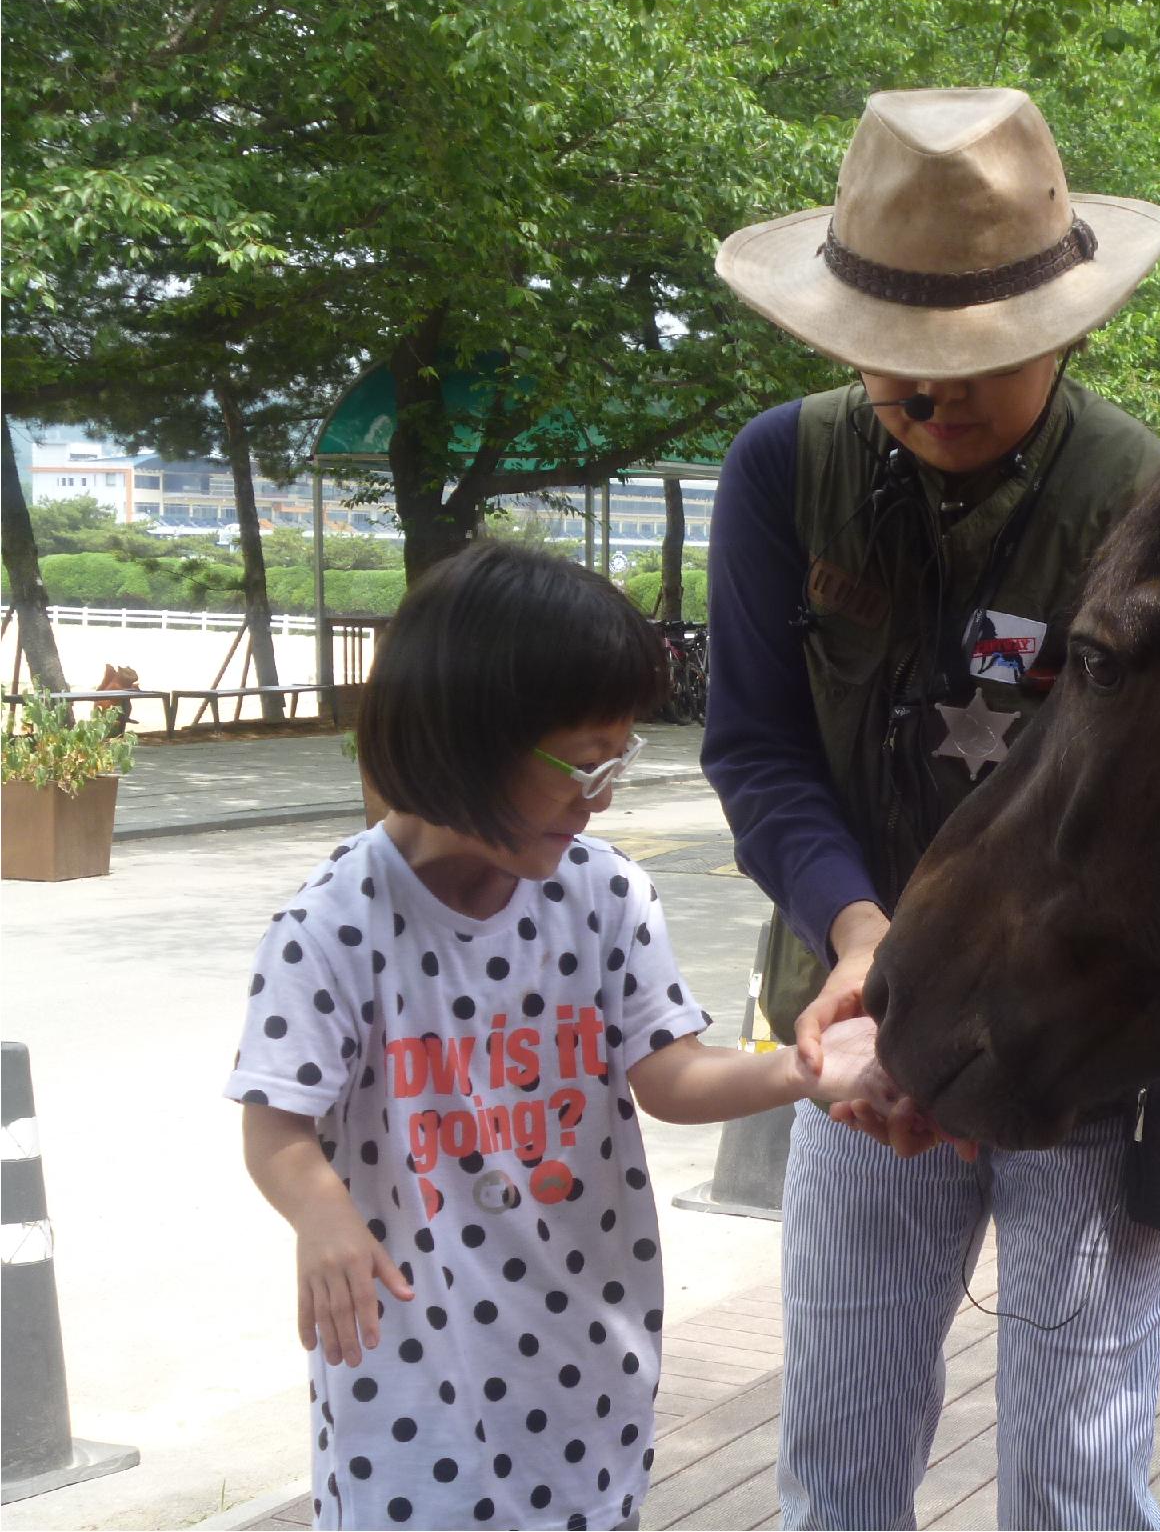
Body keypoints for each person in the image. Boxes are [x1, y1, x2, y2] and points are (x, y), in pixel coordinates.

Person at [706, 87, 1160, 1529]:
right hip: (855, 1046)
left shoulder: (1142, 504)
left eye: (971, 360)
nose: (928, 399)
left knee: (1076, 1477)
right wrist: (864, 946)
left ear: (1068, 323)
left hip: (1083, 1050)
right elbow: (758, 750)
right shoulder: (781, 470)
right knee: (835, 1469)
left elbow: (1146, 823)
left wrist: (983, 995)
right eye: (892, 364)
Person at [226, 541, 894, 1532]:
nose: (605, 794)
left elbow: (666, 1076)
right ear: (463, 737)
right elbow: (276, 1121)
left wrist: (800, 1073)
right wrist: (322, 1214)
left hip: (585, 1365)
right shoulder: (333, 928)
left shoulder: (603, 893)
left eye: (618, 760)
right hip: (410, 1386)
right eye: (583, 763)